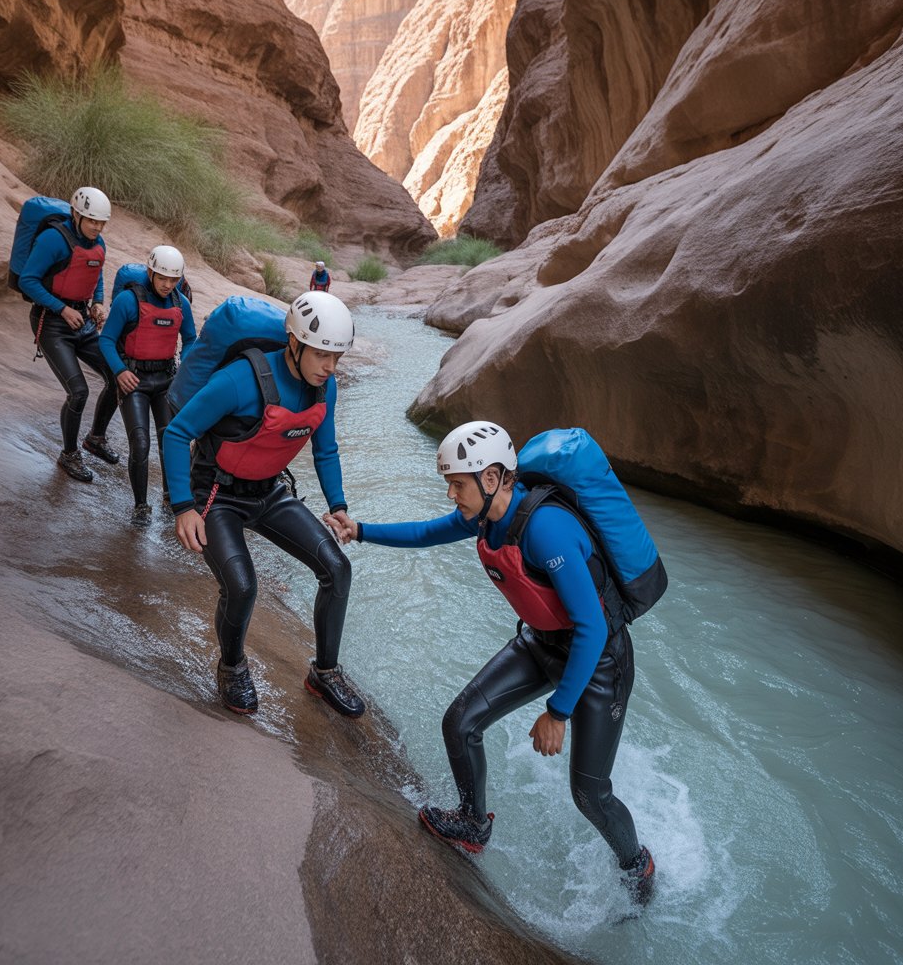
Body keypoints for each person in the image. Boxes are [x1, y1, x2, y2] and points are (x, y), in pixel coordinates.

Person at [329, 421, 656, 906]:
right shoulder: (486, 515)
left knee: (590, 795)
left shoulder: (546, 530)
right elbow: (426, 532)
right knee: (460, 722)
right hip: (542, 644)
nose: (450, 492)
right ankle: (472, 824)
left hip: (599, 662)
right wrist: (360, 531)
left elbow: (591, 627)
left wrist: (558, 712)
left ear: (491, 478)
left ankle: (637, 868)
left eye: (457, 483)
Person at [163, 290, 365, 719]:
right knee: (242, 586)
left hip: (269, 492)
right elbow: (178, 433)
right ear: (294, 343)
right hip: (216, 495)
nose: (330, 367)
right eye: (322, 354)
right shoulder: (240, 379)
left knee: (337, 568)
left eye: (337, 357)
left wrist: (338, 504)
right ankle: (232, 665)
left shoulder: (322, 389)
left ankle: (324, 673)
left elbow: (325, 451)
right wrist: (183, 507)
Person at [18, 186, 120, 483]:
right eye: (91, 221)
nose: (97, 228)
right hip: (51, 324)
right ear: (75, 214)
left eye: (101, 223)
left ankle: (96, 438)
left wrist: (98, 302)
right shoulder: (54, 240)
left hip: (82, 321)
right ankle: (69, 454)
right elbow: (28, 280)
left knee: (117, 375)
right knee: (78, 392)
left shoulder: (97, 241)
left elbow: (96, 273)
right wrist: (62, 309)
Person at [99, 245, 197, 524]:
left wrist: (184, 367)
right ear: (151, 272)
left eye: (173, 280)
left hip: (166, 380)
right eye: (162, 278)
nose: (167, 285)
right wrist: (119, 371)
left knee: (171, 441)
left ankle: (171, 496)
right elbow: (106, 340)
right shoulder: (128, 301)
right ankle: (141, 506)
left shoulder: (181, 304)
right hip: (135, 381)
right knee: (140, 444)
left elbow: (190, 339)